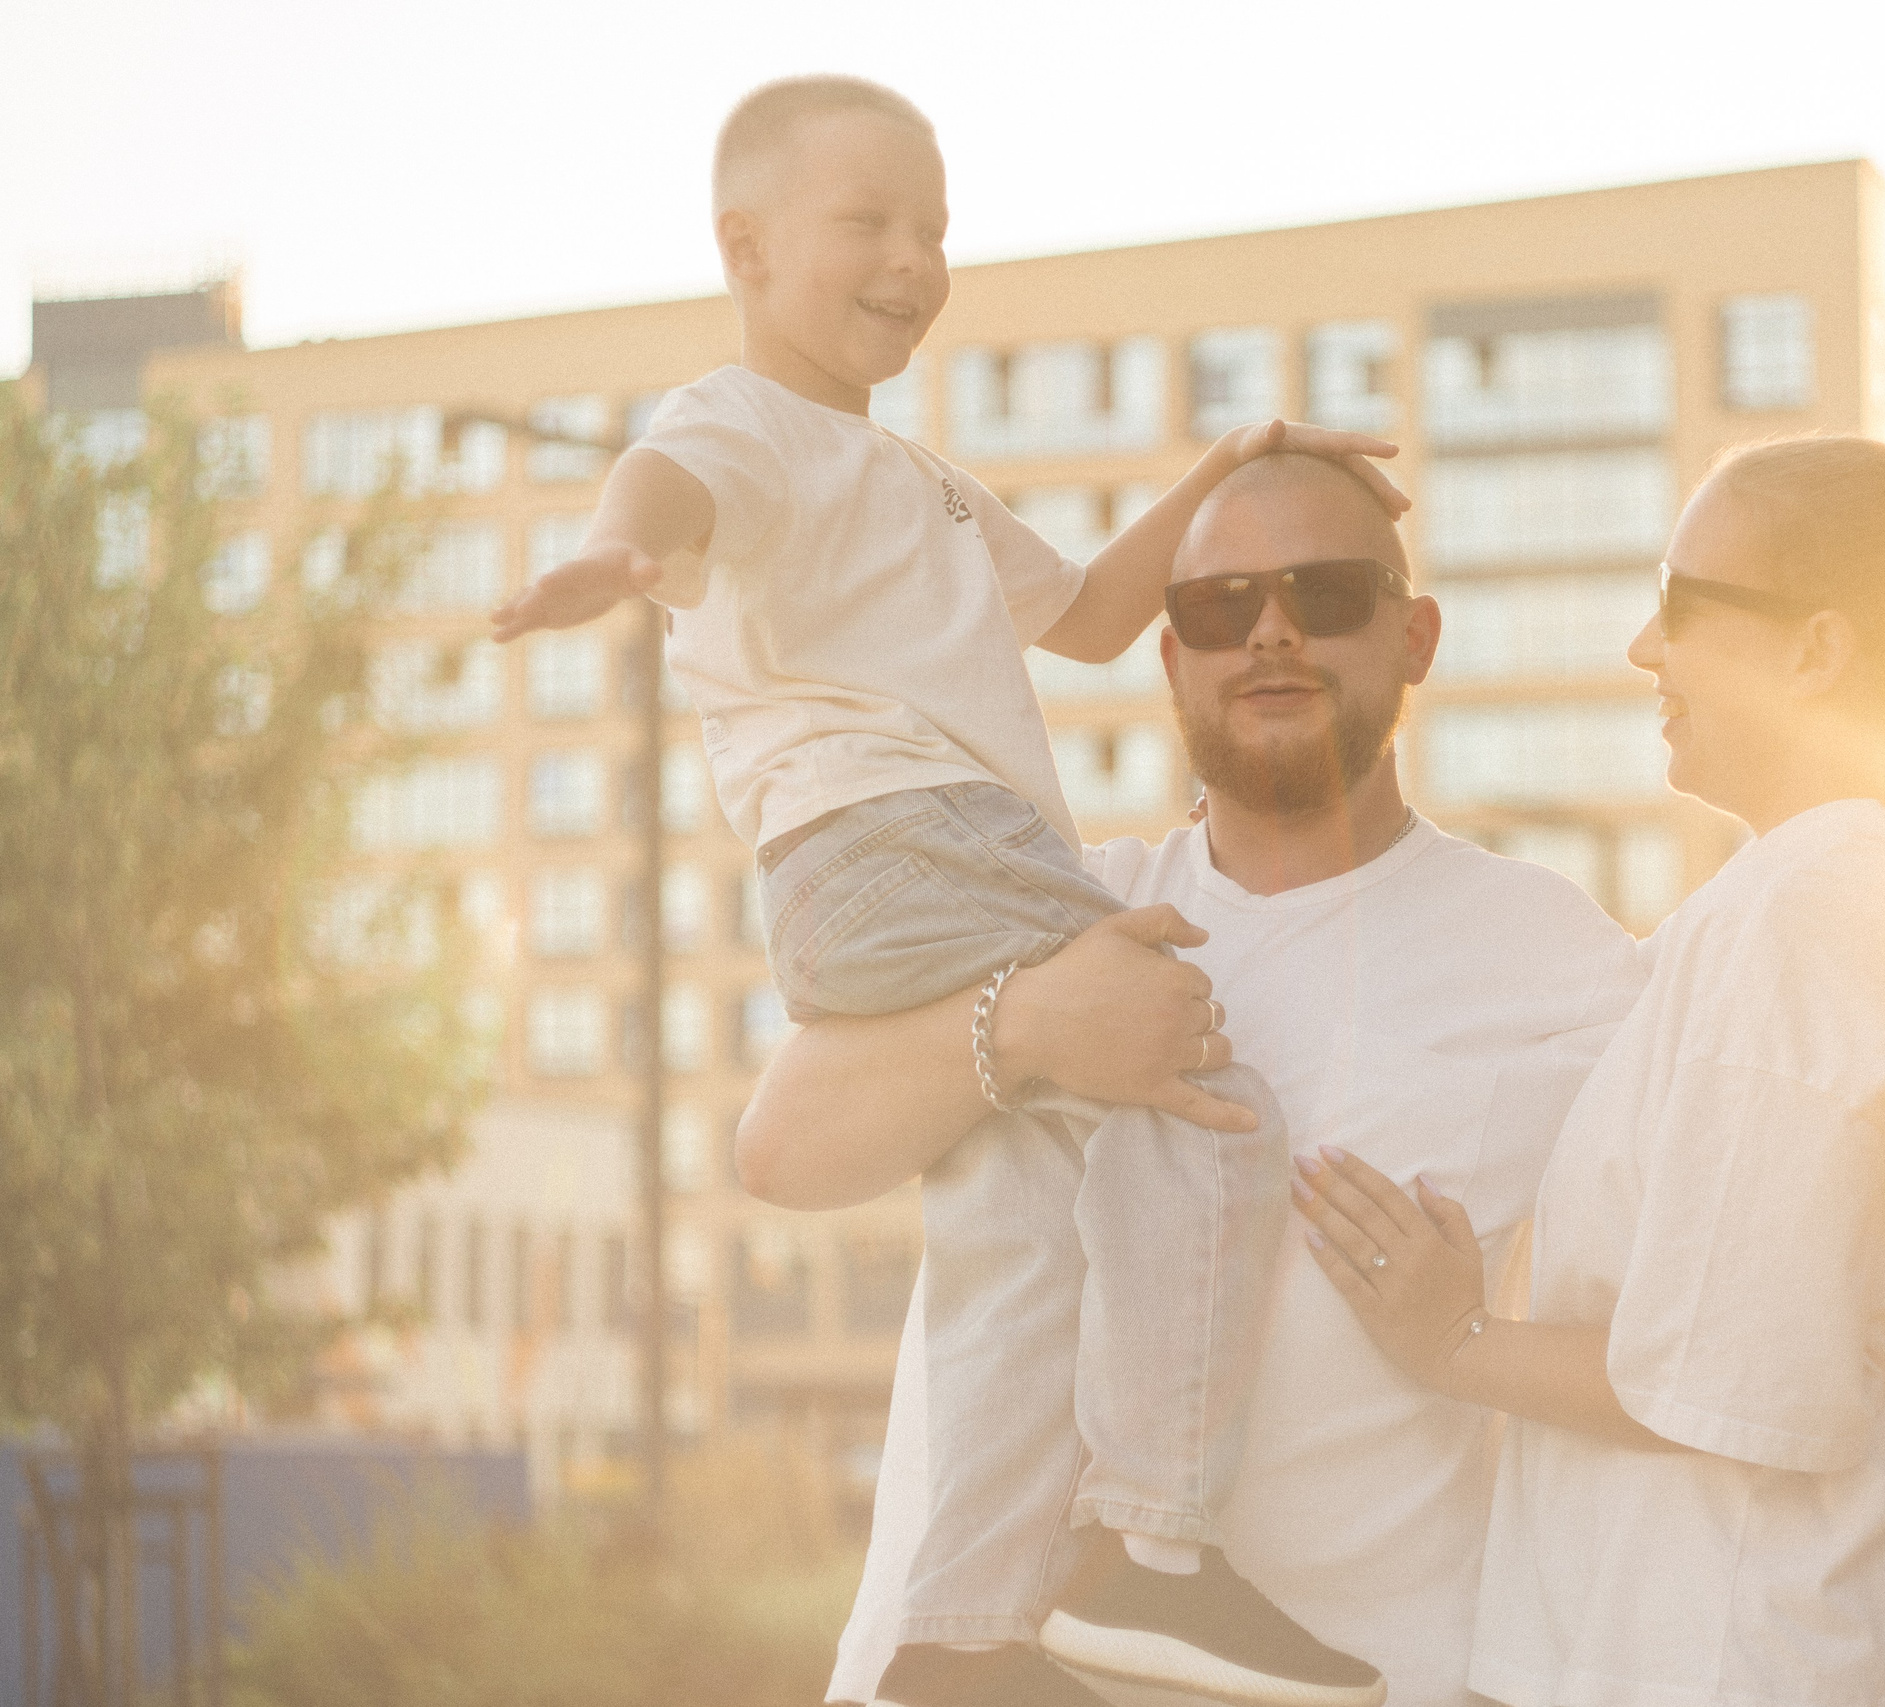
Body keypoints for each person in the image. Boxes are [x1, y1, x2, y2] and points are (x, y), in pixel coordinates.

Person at [741, 451, 1885, 1707]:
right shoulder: (1060, 911)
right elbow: (782, 1148)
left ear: (1416, 637)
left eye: (1325, 592)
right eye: (1223, 605)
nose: (1270, 630)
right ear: (1169, 658)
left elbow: (1763, 1266)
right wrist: (1033, 1023)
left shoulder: (1573, 965)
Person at [486, 75, 1406, 1707]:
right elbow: (670, 485)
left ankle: (962, 1631)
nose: (914, 258)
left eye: (936, 229)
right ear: (746, 249)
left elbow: (1107, 615)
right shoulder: (743, 424)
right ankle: (1149, 1547)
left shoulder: (916, 482)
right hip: (904, 838)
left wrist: (1229, 461)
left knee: (1018, 1216)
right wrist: (621, 556)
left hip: (917, 859)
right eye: (871, 222)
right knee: (1208, 1100)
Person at [1295, 435, 1885, 1707]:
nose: (1645, 649)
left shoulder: (1810, 917)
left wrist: (1446, 1334)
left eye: (1683, 606)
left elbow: (1719, 1379)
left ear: (1816, 652)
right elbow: (1845, 1326)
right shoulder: (1848, 898)